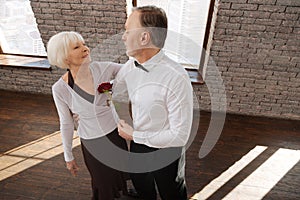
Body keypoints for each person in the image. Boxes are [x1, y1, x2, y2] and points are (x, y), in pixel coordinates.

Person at [114, 6, 193, 200]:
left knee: (171, 191)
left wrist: (135, 135)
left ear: (144, 38)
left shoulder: (177, 78)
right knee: (140, 181)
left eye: (127, 30)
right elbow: (114, 90)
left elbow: (180, 136)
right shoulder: (129, 66)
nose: (123, 37)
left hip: (167, 148)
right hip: (138, 140)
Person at [47, 31, 130, 200]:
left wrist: (114, 86)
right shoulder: (60, 89)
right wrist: (68, 156)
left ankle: (124, 193)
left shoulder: (103, 68)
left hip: (115, 134)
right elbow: (66, 123)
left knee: (120, 172)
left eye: (84, 44)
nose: (86, 49)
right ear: (65, 58)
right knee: (103, 182)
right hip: (93, 142)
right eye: (77, 47)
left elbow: (133, 72)